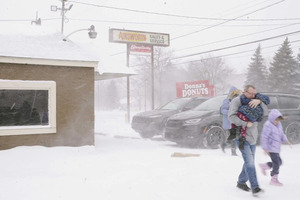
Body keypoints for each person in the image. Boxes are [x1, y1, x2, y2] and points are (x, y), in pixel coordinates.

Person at [228, 85, 268, 197]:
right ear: (244, 92)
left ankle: (241, 182)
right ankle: (255, 187)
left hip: (252, 137)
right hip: (241, 136)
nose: (253, 95)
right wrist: (245, 123)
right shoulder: (237, 101)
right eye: (251, 93)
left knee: (248, 161)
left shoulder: (255, 99)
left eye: (254, 94)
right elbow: (231, 117)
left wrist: (259, 102)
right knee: (250, 162)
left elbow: (265, 113)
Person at [259, 109, 291, 186]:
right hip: (270, 148)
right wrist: (265, 148)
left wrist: (285, 140)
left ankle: (265, 166)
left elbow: (281, 134)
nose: (277, 121)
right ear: (271, 118)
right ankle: (274, 179)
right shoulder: (268, 125)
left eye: (278, 120)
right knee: (277, 163)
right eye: (275, 120)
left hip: (276, 148)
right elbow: (264, 137)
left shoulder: (279, 125)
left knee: (279, 162)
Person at [220, 86, 241, 156]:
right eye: (234, 94)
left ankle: (224, 145)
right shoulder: (226, 101)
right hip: (228, 122)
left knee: (234, 136)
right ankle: (233, 152)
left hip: (234, 121)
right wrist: (230, 112)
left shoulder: (237, 101)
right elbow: (223, 110)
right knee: (233, 137)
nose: (235, 96)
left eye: (236, 94)